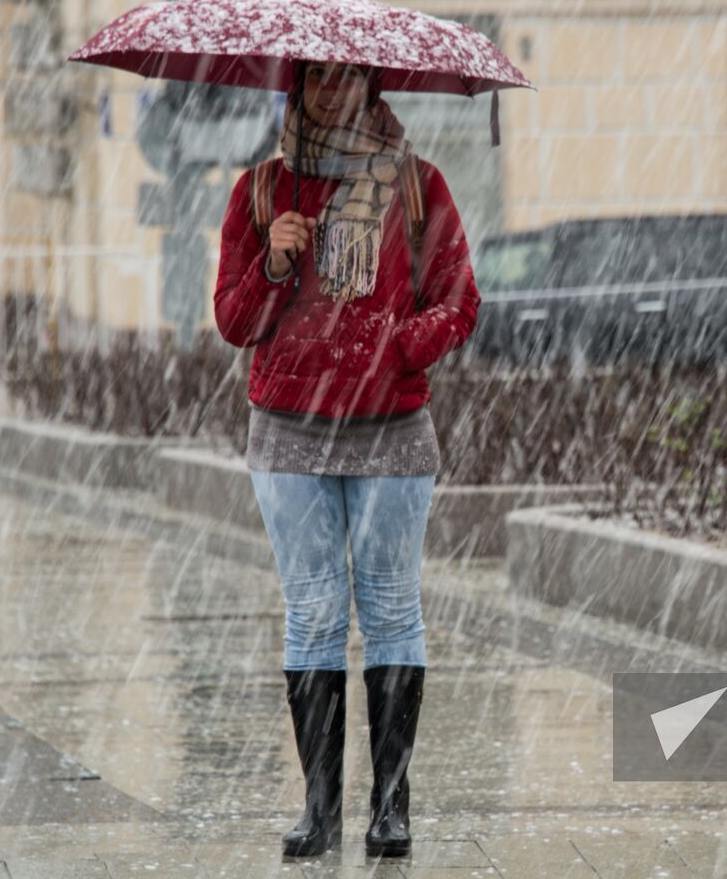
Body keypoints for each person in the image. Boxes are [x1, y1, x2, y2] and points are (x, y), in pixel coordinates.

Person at [213, 59, 480, 859]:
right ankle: (319, 806)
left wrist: (404, 347)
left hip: (391, 429)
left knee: (392, 606)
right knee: (316, 614)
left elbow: (460, 298)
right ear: (295, 88)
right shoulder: (260, 193)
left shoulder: (418, 186)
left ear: (371, 86)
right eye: (318, 80)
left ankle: (390, 805)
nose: (333, 93)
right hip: (289, 433)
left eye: (347, 79)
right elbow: (232, 318)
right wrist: (276, 262)